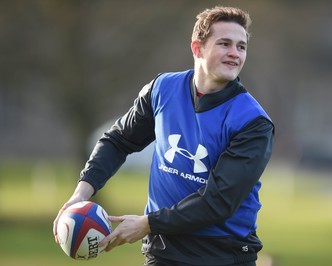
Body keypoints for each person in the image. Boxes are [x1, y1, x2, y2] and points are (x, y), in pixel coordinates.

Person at [53, 6, 274, 266]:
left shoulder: (253, 122)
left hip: (223, 254)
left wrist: (146, 223)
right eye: (225, 44)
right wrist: (81, 193)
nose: (235, 54)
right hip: (163, 251)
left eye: (241, 47)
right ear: (197, 48)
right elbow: (118, 140)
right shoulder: (162, 89)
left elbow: (218, 202)